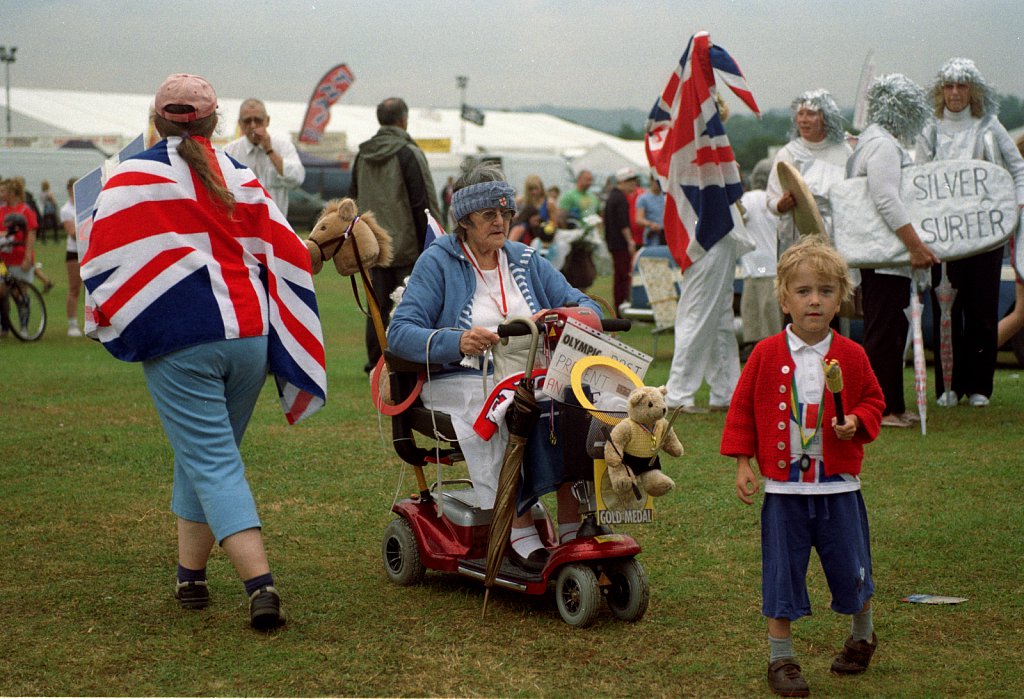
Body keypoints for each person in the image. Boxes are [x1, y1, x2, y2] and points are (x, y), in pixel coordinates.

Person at [80, 74, 326, 631]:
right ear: (218, 121)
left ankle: (261, 587)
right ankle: (190, 575)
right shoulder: (238, 173)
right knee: (204, 454)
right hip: (248, 338)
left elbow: (97, 256)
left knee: (213, 461)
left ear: (157, 118)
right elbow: (283, 246)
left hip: (181, 340)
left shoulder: (126, 176)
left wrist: (114, 320)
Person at [388, 163, 600, 570]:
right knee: (509, 407)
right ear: (465, 220)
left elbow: (583, 303)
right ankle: (516, 528)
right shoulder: (439, 261)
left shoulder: (523, 258)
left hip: (529, 374)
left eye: (505, 213)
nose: (500, 222)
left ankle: (573, 528)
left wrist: (560, 316)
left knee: (576, 405)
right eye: (489, 215)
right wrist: (458, 340)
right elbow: (400, 333)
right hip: (460, 378)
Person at [722, 236, 885, 698]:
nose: (815, 300)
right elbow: (741, 411)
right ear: (783, 297)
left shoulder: (852, 355)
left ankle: (861, 634)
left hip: (839, 488)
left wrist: (858, 420)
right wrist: (742, 462)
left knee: (852, 567)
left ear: (841, 298)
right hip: (784, 492)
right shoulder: (765, 354)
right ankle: (782, 658)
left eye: (826, 291)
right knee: (781, 573)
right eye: (803, 290)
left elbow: (874, 399)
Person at [915, 58, 1024, 408]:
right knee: (946, 311)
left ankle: (980, 386)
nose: (955, 93)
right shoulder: (930, 128)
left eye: (962, 86)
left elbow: (1018, 168)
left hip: (985, 236)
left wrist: (1015, 206)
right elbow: (917, 177)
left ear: (972, 91)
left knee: (981, 310)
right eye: (949, 86)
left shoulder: (989, 126)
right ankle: (948, 385)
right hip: (943, 237)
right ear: (940, 91)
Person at [847, 74, 939, 428]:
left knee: (889, 332)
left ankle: (893, 405)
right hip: (886, 254)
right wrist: (914, 245)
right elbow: (885, 197)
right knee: (885, 333)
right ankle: (881, 409)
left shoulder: (870, 143)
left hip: (881, 254)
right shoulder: (883, 146)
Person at [350, 97, 441, 374]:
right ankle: (407, 357)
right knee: (410, 305)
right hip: (407, 247)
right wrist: (434, 244)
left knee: (376, 306)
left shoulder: (362, 155)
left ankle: (375, 362)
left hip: (372, 247)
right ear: (404, 119)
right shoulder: (409, 153)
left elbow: (352, 199)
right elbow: (423, 203)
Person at [766, 90, 851, 255]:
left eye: (811, 114)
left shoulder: (843, 151)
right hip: (799, 237)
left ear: (826, 117)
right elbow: (771, 199)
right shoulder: (788, 153)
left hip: (838, 235)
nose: (803, 120)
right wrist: (781, 205)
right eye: (800, 114)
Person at [224, 98, 305, 218]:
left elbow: (297, 178)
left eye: (258, 120)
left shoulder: (283, 146)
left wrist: (270, 151)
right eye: (247, 121)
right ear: (240, 124)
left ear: (267, 121)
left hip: (275, 225)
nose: (253, 125)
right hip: (243, 227)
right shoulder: (230, 151)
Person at [739, 159, 783, 348]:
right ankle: (771, 349)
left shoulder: (747, 198)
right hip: (772, 264)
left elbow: (740, 217)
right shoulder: (775, 201)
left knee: (751, 314)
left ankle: (752, 349)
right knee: (771, 317)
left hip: (751, 265)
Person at [1, 178, 42, 339]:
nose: (1, 194)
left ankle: (23, 327)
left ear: (12, 193)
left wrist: (27, 257)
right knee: (2, 292)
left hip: (19, 258)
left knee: (20, 293)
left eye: (3, 191)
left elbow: (31, 235)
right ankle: (5, 326)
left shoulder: (25, 211)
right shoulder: (1, 211)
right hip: (4, 260)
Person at [603, 167, 639, 310]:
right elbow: (623, 223)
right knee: (623, 276)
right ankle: (621, 306)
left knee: (620, 275)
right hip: (620, 244)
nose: (633, 185)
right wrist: (630, 241)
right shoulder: (621, 199)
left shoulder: (613, 196)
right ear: (622, 182)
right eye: (630, 182)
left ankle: (620, 305)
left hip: (613, 242)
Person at [59, 177, 83, 337]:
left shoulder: (86, 204)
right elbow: (72, 233)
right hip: (74, 251)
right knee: (74, 288)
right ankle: (72, 324)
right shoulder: (66, 209)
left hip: (89, 249)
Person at [635, 174, 666, 246]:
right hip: (652, 237)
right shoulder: (643, 198)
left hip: (666, 235)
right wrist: (650, 224)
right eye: (657, 182)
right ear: (651, 181)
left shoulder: (666, 196)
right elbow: (639, 219)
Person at [40, 180, 60, 244]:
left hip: (45, 210)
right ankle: (56, 238)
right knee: (55, 224)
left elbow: (42, 202)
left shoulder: (42, 193)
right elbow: (53, 200)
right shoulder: (49, 192)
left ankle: (43, 238)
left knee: (44, 225)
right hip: (51, 209)